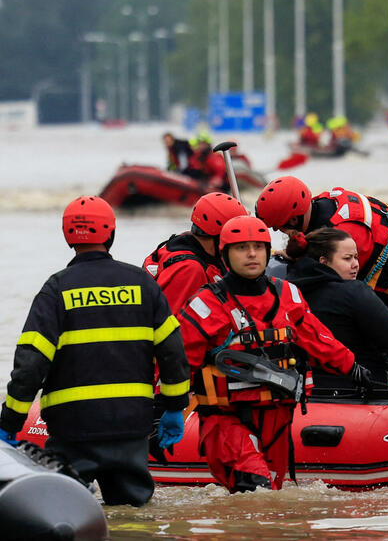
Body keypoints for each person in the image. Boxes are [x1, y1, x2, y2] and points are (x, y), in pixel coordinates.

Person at [0, 196, 190, 506]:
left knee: (68, 509)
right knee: (133, 515)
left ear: (67, 235)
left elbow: (31, 363)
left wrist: (10, 422)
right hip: (131, 427)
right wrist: (174, 407)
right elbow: (173, 353)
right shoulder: (142, 284)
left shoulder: (56, 290)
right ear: (111, 233)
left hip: (73, 429)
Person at [177, 215, 366, 493]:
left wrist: (353, 368)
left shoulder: (287, 294)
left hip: (277, 417)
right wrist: (165, 408)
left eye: (258, 247)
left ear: (268, 251)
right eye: (242, 248)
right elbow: (178, 360)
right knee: (257, 489)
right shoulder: (207, 303)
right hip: (226, 419)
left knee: (274, 493)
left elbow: (318, 339)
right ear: (225, 255)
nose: (251, 254)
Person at [254, 176, 388, 339]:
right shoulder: (325, 202)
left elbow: (330, 293)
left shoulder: (343, 240)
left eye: (280, 228)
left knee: (383, 345)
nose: (281, 233)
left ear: (294, 220)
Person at [284, 227, 388, 384]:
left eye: (356, 257)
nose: (355, 264)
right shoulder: (353, 291)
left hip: (306, 385)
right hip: (363, 384)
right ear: (324, 262)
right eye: (347, 258)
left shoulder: (286, 291)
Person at [143, 191, 248, 312]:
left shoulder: (191, 243)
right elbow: (175, 319)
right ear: (219, 235)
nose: (237, 243)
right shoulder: (190, 270)